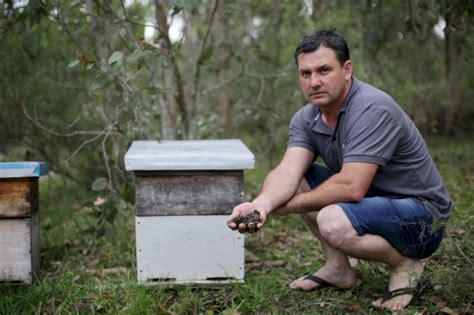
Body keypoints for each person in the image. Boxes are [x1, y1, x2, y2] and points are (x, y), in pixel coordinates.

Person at [227, 29, 451, 311]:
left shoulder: (371, 108)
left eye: (324, 70)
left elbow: (351, 187)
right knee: (296, 182)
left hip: (422, 218)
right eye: (305, 73)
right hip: (372, 204)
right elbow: (288, 171)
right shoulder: (306, 117)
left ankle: (405, 264)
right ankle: (338, 268)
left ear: (347, 69)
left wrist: (287, 205)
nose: (314, 82)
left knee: (332, 220)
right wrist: (261, 205)